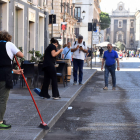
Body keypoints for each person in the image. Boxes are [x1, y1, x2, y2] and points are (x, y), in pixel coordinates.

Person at [0, 30, 24, 130]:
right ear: (8, 37)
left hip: (4, 73)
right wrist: (14, 52)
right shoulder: (9, 44)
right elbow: (21, 55)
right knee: (2, 99)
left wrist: (15, 71)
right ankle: (0, 122)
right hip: (4, 77)